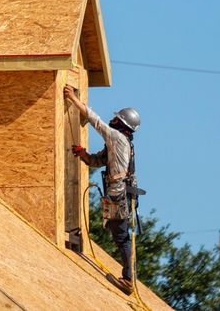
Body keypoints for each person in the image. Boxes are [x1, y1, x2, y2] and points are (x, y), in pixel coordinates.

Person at [63, 85, 141, 295]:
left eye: (117, 119)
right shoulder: (119, 144)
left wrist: (73, 100)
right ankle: (128, 275)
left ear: (122, 123)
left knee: (122, 236)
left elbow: (96, 121)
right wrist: (83, 154)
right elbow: (98, 161)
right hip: (118, 193)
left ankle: (128, 279)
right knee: (119, 234)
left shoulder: (117, 138)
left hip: (119, 194)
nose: (113, 121)